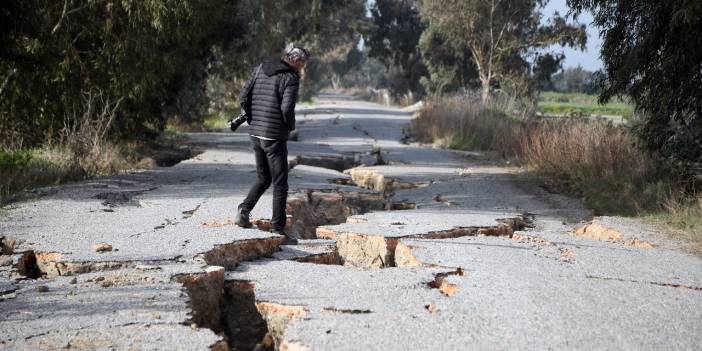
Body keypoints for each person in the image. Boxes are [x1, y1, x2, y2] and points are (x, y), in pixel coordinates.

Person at [234, 45, 310, 245]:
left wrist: (252, 118)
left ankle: (243, 209)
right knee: (280, 183)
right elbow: (286, 109)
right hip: (274, 136)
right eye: (302, 63)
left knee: (263, 177)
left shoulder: (261, 67)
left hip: (255, 133)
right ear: (294, 60)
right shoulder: (291, 78)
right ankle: (277, 229)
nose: (302, 68)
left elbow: (243, 96)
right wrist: (290, 126)